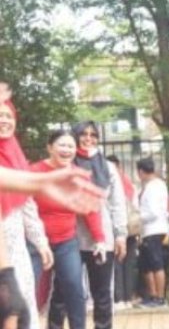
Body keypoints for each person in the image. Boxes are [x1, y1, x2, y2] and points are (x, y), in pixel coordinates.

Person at [30, 130, 106, 329]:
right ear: (49, 147)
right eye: (61, 145)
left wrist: (99, 239)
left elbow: (91, 209)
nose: (66, 150)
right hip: (35, 243)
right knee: (29, 289)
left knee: (74, 288)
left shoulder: (76, 175)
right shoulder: (34, 171)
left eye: (70, 146)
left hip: (66, 242)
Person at [0, 94, 53, 329]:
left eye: (8, 116)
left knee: (23, 305)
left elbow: (28, 205)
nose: (4, 121)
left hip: (16, 248)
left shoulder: (17, 156)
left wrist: (40, 242)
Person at [70, 121, 128, 329]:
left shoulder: (109, 167)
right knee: (68, 291)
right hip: (72, 238)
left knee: (102, 293)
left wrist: (121, 234)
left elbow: (118, 203)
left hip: (103, 240)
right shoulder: (69, 163)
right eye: (83, 134)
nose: (88, 138)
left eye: (93, 135)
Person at [137, 158, 169, 307]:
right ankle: (152, 295)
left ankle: (160, 297)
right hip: (152, 230)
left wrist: (137, 217)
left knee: (156, 263)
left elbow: (153, 212)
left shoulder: (152, 187)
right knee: (147, 264)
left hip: (153, 229)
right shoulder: (158, 185)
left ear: (140, 172)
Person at [106, 155, 138, 309]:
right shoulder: (128, 182)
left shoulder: (110, 182)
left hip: (117, 228)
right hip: (132, 228)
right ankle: (128, 298)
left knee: (117, 263)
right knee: (128, 264)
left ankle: (118, 299)